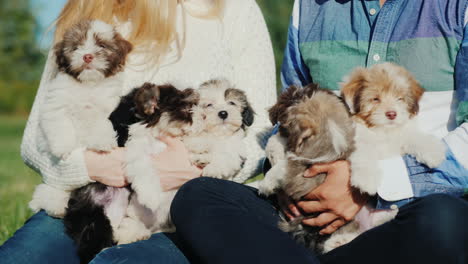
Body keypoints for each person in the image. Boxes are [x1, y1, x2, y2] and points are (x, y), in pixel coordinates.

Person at [170, 0, 468, 263]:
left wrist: (367, 189)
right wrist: (290, 176)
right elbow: (290, 109)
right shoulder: (311, 6)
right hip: (310, 206)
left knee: (445, 222)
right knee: (198, 196)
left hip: (406, 211)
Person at [0, 0, 276, 263]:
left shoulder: (235, 9)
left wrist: (198, 172)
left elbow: (262, 132)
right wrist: (93, 165)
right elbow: (34, 140)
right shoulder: (87, 10)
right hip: (89, 199)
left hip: (184, 211)